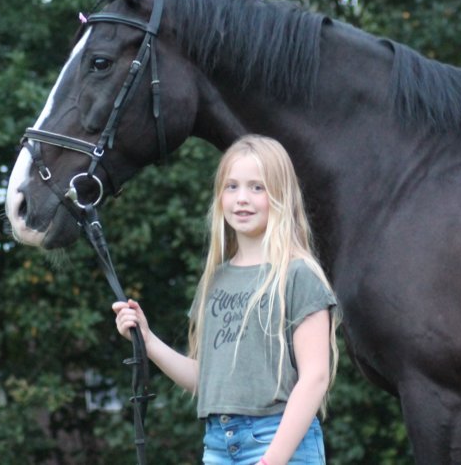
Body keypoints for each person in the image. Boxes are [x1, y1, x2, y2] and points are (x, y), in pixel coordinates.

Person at [113, 135, 340, 465]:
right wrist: (147, 341)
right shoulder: (215, 280)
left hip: (278, 443)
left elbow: (315, 377)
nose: (241, 198)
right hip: (218, 446)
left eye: (257, 187)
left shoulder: (298, 274)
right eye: (231, 186)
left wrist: (272, 460)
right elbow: (206, 379)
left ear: (281, 195)